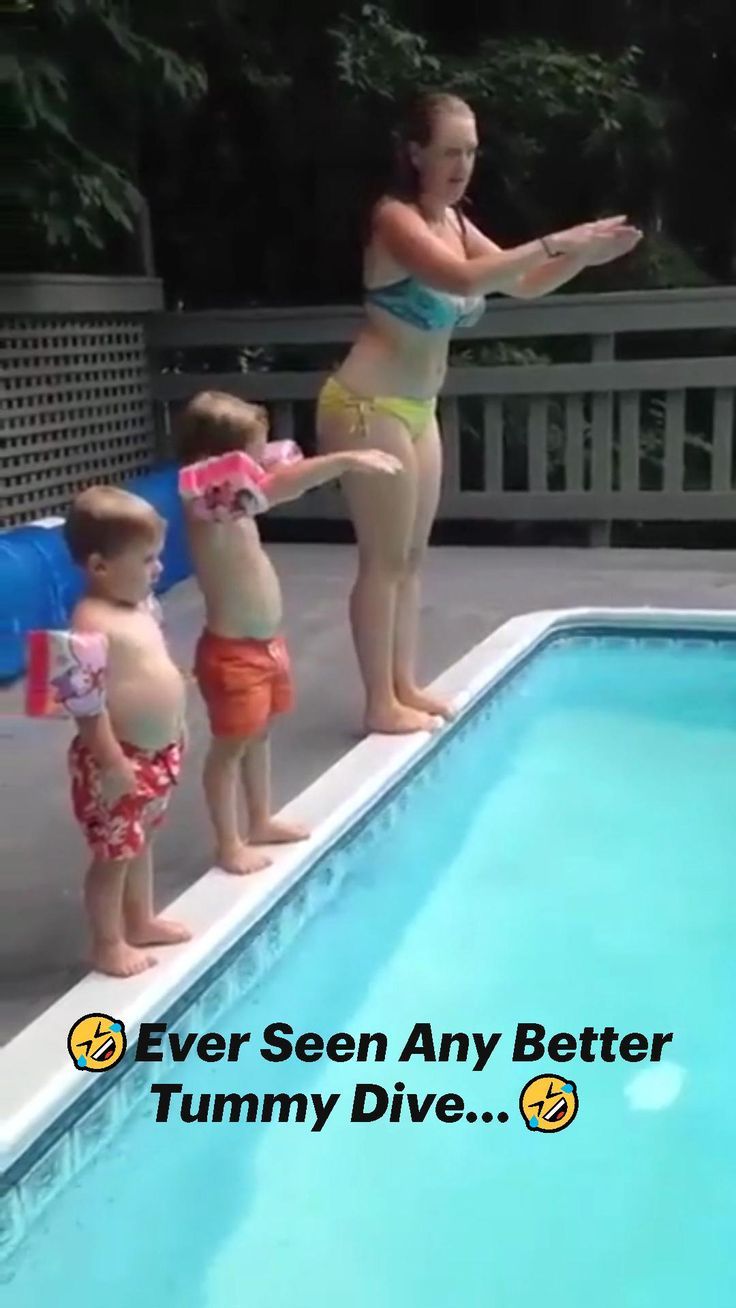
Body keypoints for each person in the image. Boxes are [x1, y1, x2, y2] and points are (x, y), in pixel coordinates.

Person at [316, 91, 642, 735]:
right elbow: (465, 282)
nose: (463, 163)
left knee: (410, 559)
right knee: (382, 561)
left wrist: (580, 255)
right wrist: (555, 240)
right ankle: (378, 702)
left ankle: (403, 684)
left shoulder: (454, 222)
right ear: (415, 153)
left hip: (416, 405)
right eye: (449, 151)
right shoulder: (395, 219)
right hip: (366, 403)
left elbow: (519, 281)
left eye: (470, 151)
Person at [176, 390, 400, 876]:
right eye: (252, 456)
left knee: (258, 736)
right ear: (219, 461)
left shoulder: (234, 504)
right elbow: (280, 488)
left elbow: (275, 484)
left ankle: (259, 820)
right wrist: (343, 460)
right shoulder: (207, 506)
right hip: (232, 654)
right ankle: (229, 842)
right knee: (230, 748)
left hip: (264, 646)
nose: (261, 466)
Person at [62, 486, 191, 977]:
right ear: (99, 567)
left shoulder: (138, 607)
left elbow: (160, 669)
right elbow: (86, 706)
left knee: (140, 843)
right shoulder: (89, 625)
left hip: (156, 752)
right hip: (115, 759)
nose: (158, 569)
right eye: (147, 559)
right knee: (113, 855)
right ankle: (108, 942)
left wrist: (178, 726)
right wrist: (112, 761)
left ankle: (140, 919)